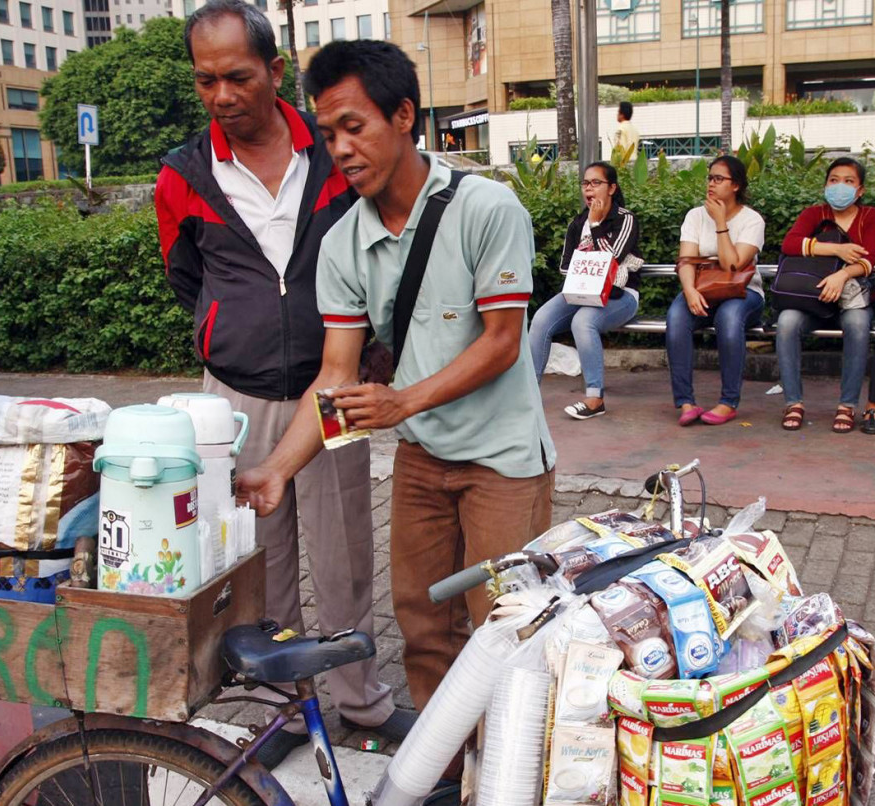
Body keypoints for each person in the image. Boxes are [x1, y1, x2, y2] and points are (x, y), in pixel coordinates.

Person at [238, 38, 555, 787]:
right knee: (421, 624)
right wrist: (278, 470)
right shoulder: (344, 239)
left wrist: (401, 401)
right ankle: (443, 777)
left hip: (504, 461)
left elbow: (505, 343)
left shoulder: (486, 207)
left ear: (404, 115)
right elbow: (336, 375)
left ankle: (512, 780)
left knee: (505, 633)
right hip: (422, 461)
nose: (340, 149)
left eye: (355, 126)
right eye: (328, 134)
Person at [153, 0, 412, 769]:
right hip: (235, 395)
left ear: (274, 71)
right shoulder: (182, 175)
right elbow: (184, 276)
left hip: (334, 390)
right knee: (257, 564)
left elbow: (383, 251)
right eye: (206, 82)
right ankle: (278, 710)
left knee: (343, 558)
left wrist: (377, 349)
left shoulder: (333, 153)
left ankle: (360, 701)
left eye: (237, 77)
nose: (222, 96)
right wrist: (229, 329)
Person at [528, 161, 643, 419]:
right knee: (541, 319)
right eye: (585, 183)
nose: (589, 189)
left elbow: (611, 259)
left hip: (621, 295)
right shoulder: (576, 222)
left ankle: (594, 399)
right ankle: (527, 395)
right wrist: (587, 229)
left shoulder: (625, 219)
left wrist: (594, 225)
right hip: (581, 293)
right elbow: (566, 266)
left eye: (596, 183)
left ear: (611, 188)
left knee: (583, 322)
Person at [666, 155, 766, 426]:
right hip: (702, 288)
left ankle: (728, 402)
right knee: (676, 318)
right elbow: (686, 260)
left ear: (736, 185)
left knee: (729, 319)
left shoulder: (752, 220)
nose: (711, 184)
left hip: (743, 292)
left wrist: (721, 222)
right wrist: (688, 291)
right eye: (710, 178)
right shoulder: (695, 216)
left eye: (719, 179)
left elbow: (733, 264)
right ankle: (686, 402)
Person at [777, 157, 874, 433]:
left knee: (858, 324)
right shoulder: (813, 214)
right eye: (833, 180)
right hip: (812, 298)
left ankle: (847, 405)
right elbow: (790, 243)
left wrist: (842, 274)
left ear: (860, 190)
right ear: (825, 185)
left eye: (848, 181)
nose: (839, 186)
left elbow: (871, 258)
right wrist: (837, 250)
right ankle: (793, 402)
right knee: (787, 322)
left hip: (853, 298)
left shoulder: (870, 217)